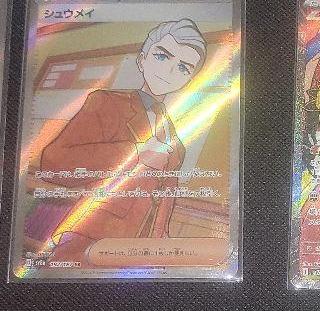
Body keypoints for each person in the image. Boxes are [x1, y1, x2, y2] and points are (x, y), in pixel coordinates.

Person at [36, 19, 206, 262]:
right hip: (91, 233)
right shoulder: (107, 103)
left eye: (183, 68)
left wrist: (161, 237)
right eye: (162, 56)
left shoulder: (176, 142)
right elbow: (53, 163)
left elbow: (166, 195)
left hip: (141, 249)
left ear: (188, 80)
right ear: (142, 60)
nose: (170, 71)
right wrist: (135, 154)